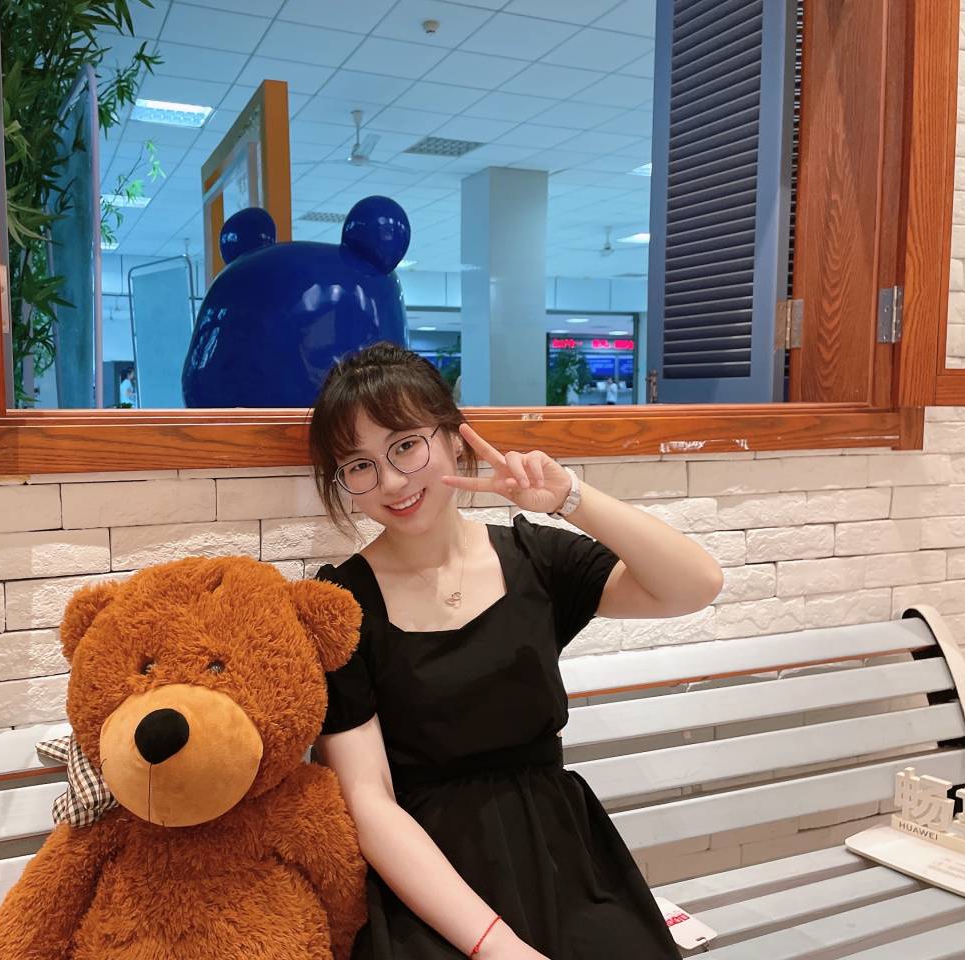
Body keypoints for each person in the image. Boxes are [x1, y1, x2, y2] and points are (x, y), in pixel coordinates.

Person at [307, 342, 723, 960]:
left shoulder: (532, 557)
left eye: (405, 445)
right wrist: (496, 946)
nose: (391, 481)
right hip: (429, 880)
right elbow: (368, 803)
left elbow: (695, 584)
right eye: (359, 465)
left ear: (454, 438)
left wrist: (569, 498)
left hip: (563, 858)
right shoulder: (340, 604)